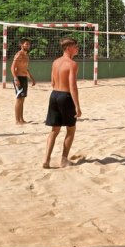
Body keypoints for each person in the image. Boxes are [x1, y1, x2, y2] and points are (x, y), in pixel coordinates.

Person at [43, 37, 82, 168]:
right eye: (75, 46)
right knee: (71, 129)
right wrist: (77, 106)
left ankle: (46, 160)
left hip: (54, 95)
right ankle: (64, 160)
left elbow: (52, 82)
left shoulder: (55, 62)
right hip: (65, 96)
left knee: (54, 130)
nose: (77, 49)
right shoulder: (72, 64)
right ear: (68, 48)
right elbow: (73, 86)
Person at [11, 38, 36, 125]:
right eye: (26, 44)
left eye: (29, 44)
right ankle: (17, 120)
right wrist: (15, 78)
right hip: (18, 78)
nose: (28, 45)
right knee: (19, 100)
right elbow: (12, 68)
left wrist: (32, 78)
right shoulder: (18, 55)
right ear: (21, 45)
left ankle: (21, 119)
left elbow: (26, 69)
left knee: (22, 100)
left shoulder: (26, 55)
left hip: (24, 78)